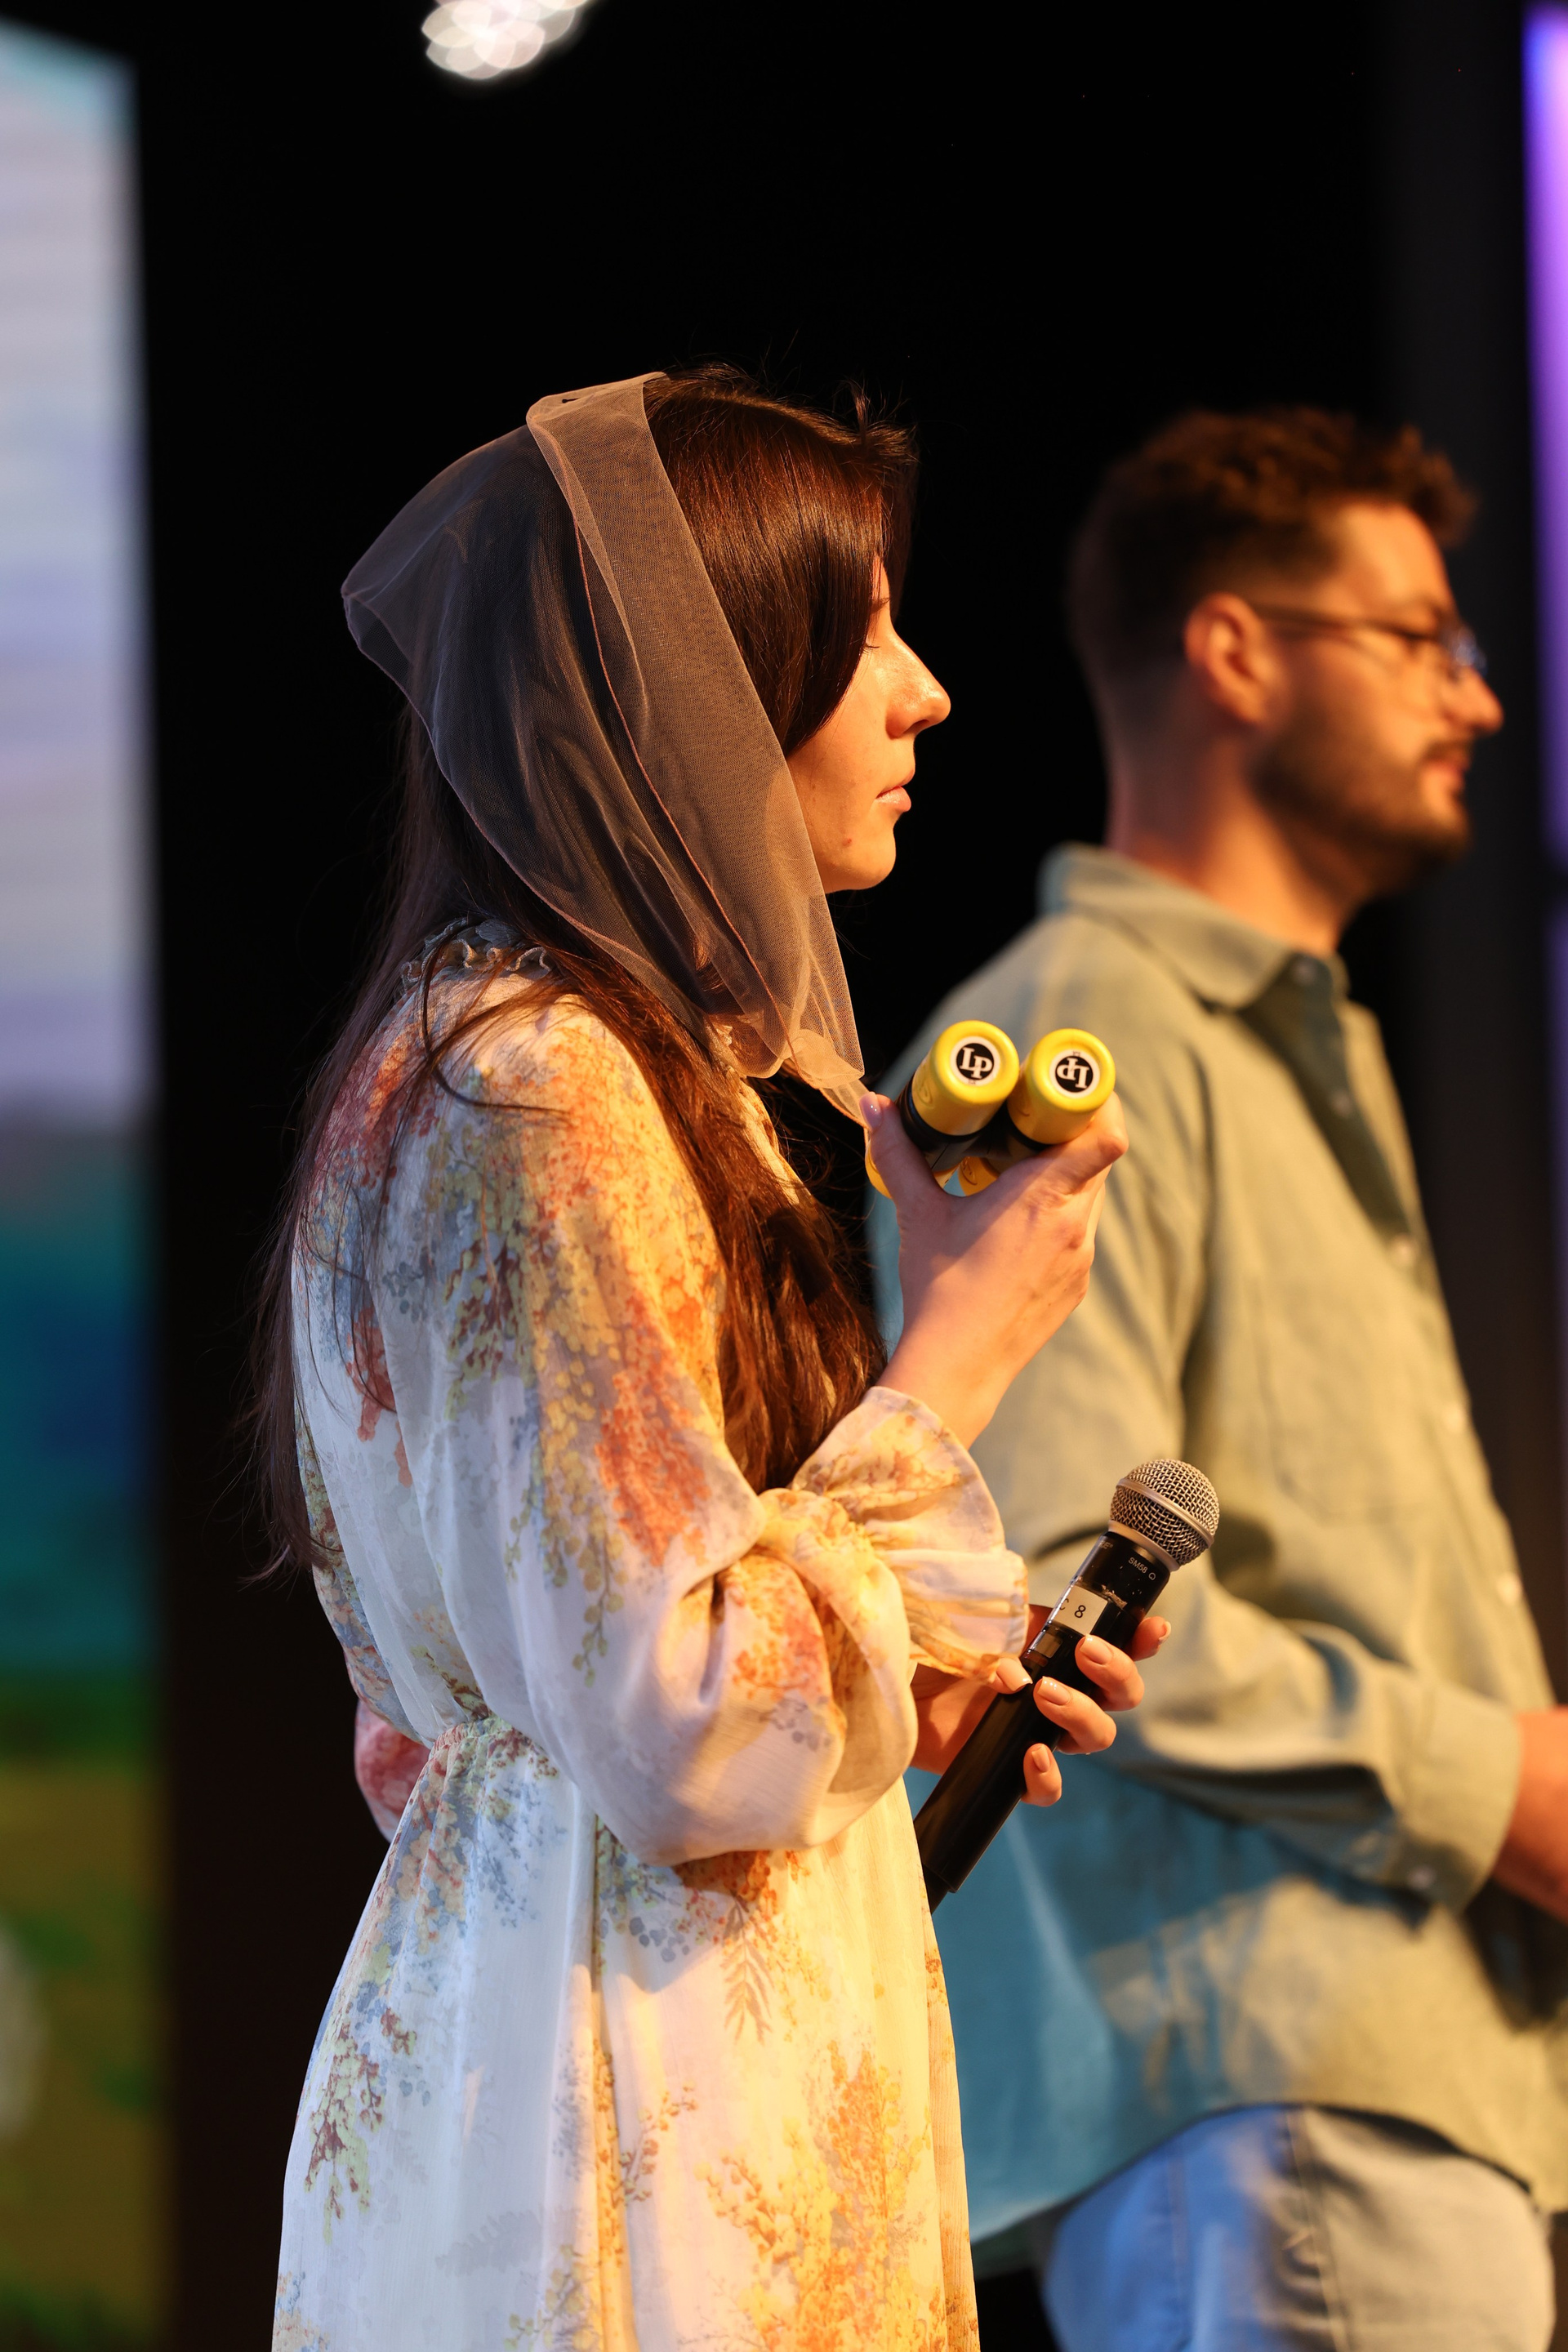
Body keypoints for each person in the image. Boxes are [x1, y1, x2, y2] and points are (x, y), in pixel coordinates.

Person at [258, 368, 1152, 2352]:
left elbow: (603, 1689)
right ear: (699, 687)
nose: (926, 695)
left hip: (609, 2027)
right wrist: (959, 1354)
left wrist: (917, 1694)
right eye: (866, 634)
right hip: (620, 2112)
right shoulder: (537, 1091)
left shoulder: (575, 1073)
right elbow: (675, 1721)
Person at [871, 408, 1568, 2352]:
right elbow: (1054, 1588)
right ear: (1238, 649)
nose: (1477, 697)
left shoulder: (1267, 1047)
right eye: (1419, 638)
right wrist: (1500, 1781)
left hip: (1369, 2093)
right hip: (1279, 2100)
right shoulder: (1078, 1038)